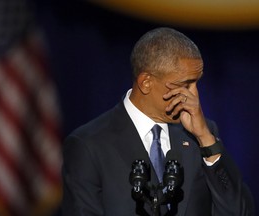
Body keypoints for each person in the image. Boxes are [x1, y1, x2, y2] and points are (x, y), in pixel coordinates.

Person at [61, 27, 254, 216]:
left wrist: (206, 140)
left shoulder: (202, 136)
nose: (194, 96)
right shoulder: (89, 145)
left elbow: (239, 211)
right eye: (184, 85)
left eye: (196, 83)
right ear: (146, 82)